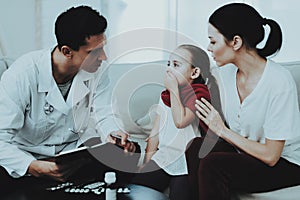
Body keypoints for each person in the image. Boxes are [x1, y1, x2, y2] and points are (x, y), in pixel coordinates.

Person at [0, 5, 139, 193]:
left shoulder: (98, 70)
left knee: (130, 152)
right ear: (67, 51)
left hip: (73, 157)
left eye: (103, 48)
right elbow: (1, 139)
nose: (104, 58)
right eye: (93, 52)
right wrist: (33, 166)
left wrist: (114, 134)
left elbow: (104, 114)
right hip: (30, 158)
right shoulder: (21, 75)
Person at [185, 3, 300, 200]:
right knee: (197, 148)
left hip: (283, 163)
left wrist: (222, 131)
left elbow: (271, 156)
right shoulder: (224, 74)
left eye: (213, 42)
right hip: (244, 153)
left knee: (214, 165)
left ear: (235, 42)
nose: (208, 48)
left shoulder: (279, 81)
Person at [132, 44, 218, 200]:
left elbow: (181, 121)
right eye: (168, 64)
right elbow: (155, 132)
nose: (169, 69)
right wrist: (147, 162)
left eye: (176, 65)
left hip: (186, 160)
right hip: (165, 156)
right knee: (136, 188)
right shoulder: (165, 95)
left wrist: (173, 91)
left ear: (194, 72)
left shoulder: (199, 93)